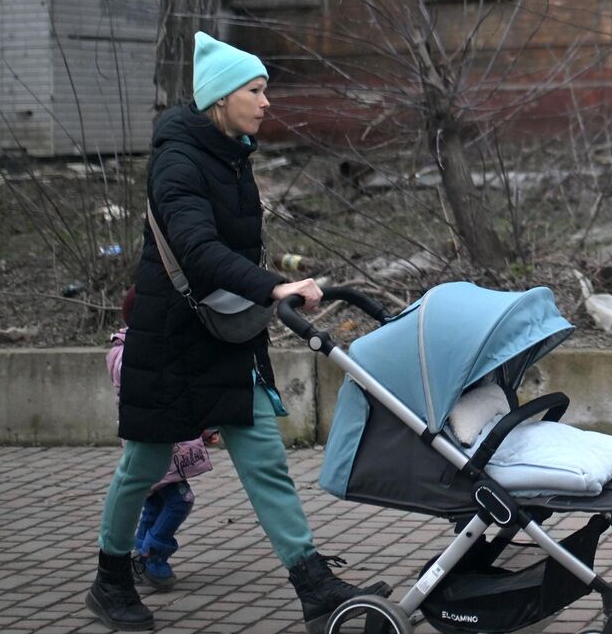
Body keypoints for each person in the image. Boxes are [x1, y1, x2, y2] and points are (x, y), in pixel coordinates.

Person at [85, 33, 386, 633]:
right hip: (170, 339)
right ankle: (110, 579)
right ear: (221, 98)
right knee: (144, 465)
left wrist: (269, 281)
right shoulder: (178, 161)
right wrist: (271, 286)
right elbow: (197, 249)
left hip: (225, 336)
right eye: (255, 90)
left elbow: (229, 246)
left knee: (265, 459)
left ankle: (313, 584)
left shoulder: (231, 154)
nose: (266, 102)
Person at [104, 287, 215, 593]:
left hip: (164, 437)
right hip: (152, 438)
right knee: (180, 500)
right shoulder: (127, 354)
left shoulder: (147, 349)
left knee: (155, 501)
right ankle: (154, 551)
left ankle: (141, 551)